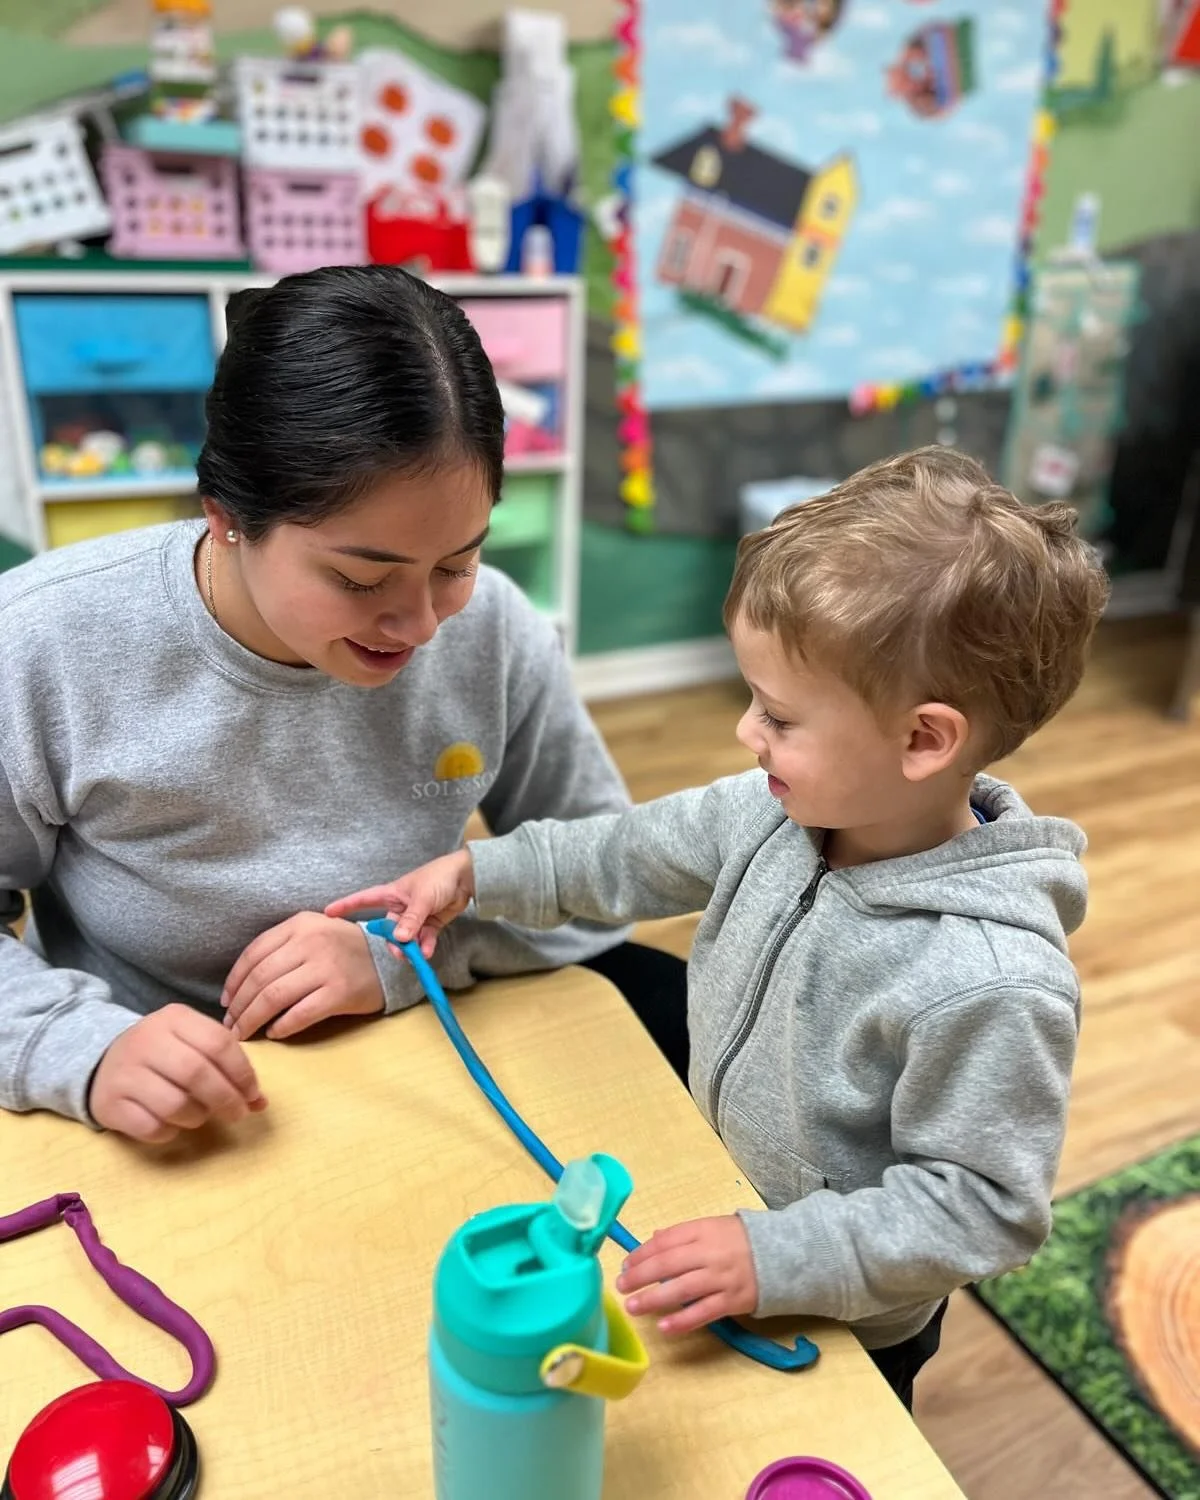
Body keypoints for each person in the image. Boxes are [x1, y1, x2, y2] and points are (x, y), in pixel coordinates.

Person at [327, 447, 1110, 1410]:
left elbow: (984, 1210)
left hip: (847, 1316)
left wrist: (776, 1255)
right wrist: (483, 874)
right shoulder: (773, 812)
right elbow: (627, 853)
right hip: (728, 1200)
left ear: (923, 740)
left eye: (778, 716)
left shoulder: (989, 979)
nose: (748, 733)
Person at [0, 264, 681, 1145]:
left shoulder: (497, 629)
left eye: (458, 563)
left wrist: (409, 960)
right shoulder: (46, 640)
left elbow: (605, 871)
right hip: (181, 1110)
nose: (422, 622)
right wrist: (83, 1048)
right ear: (226, 517)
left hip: (424, 1059)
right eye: (361, 578)